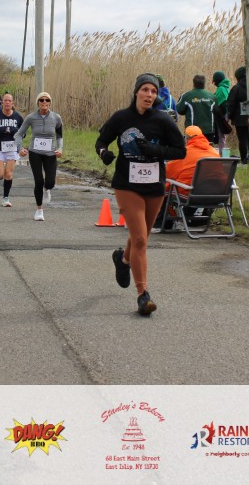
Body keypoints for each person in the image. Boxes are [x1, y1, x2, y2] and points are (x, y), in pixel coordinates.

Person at [95, 73, 186, 316]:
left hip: (154, 186)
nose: (149, 95)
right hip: (127, 185)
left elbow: (180, 151)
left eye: (153, 91)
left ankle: (123, 260)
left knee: (140, 236)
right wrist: (104, 153)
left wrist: (156, 150)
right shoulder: (121, 118)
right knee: (140, 240)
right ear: (136, 92)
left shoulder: (163, 120)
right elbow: (101, 141)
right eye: (145, 89)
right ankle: (143, 294)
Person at [152, 125, 218, 232]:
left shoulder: (185, 152)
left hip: (190, 193)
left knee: (164, 186)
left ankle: (158, 224)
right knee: (188, 186)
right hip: (216, 195)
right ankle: (184, 219)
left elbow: (169, 172)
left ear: (187, 138)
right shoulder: (214, 151)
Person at [17, 91, 64, 221]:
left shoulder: (56, 118)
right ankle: (39, 210)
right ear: (38, 103)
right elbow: (19, 134)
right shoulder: (31, 117)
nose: (44, 102)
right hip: (35, 153)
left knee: (50, 182)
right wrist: (20, 148)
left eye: (47, 100)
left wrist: (60, 149)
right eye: (41, 100)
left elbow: (60, 136)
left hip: (50, 153)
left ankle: (47, 188)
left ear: (50, 103)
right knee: (38, 181)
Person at [0, 93, 24, 207]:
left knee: (8, 173)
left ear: (12, 103)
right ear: (2, 102)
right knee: (0, 174)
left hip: (12, 147)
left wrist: (20, 136)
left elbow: (23, 132)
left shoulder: (18, 117)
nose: (7, 102)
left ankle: (5, 198)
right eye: (5, 100)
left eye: (9, 101)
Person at [175, 74, 217, 143]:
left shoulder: (186, 96)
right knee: (207, 148)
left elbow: (179, 110)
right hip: (209, 131)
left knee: (193, 148)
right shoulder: (212, 96)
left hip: (192, 132)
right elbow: (217, 112)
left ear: (193, 83)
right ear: (204, 84)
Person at [225, 66, 249, 163]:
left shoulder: (236, 88)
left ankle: (244, 159)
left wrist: (229, 117)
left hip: (240, 120)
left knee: (242, 140)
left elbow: (230, 104)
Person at [212, 70, 232, 153]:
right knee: (222, 136)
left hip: (222, 115)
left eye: (214, 82)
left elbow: (222, 104)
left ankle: (222, 155)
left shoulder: (221, 89)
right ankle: (222, 153)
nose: (214, 84)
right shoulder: (226, 88)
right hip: (225, 114)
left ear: (217, 80)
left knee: (221, 136)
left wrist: (222, 117)